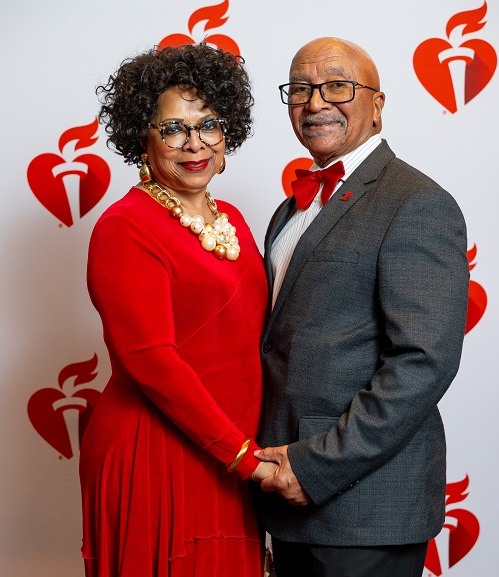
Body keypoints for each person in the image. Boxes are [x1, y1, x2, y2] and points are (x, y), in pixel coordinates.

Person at [252, 37, 470, 577]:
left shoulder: (416, 201)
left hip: (365, 501)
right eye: (300, 88)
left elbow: (422, 362)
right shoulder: (291, 210)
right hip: (284, 491)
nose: (316, 101)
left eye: (337, 85)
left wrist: (316, 465)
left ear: (377, 105)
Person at [79, 43, 276, 577]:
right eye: (172, 129)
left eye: (208, 124)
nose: (194, 144)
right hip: (158, 450)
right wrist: (243, 457)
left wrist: (246, 453)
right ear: (142, 136)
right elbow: (151, 361)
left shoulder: (231, 216)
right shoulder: (126, 226)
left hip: (230, 452)